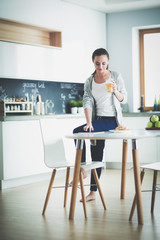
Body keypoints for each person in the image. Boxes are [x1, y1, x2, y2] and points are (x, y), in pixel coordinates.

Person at [73, 48, 127, 202]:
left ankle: (80, 169)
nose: (101, 66)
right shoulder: (89, 81)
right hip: (97, 120)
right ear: (93, 62)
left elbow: (124, 98)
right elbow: (87, 101)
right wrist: (89, 122)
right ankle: (92, 191)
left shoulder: (115, 76)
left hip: (111, 121)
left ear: (108, 61)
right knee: (95, 151)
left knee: (78, 133)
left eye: (104, 63)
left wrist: (116, 91)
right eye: (98, 63)